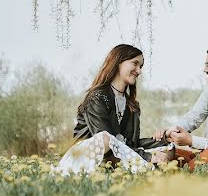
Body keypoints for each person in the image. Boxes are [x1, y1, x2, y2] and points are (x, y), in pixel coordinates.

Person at [54, 44, 173, 175]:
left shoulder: (132, 105)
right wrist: (147, 157)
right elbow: (106, 140)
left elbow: (131, 143)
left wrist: (164, 139)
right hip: (87, 156)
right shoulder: (97, 97)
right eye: (135, 63)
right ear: (118, 63)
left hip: (117, 156)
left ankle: (140, 168)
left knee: (168, 148)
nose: (139, 71)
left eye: (141, 66)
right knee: (106, 139)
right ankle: (144, 167)